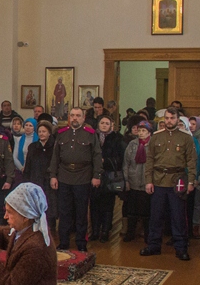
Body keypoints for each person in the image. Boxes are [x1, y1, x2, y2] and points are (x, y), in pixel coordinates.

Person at [141, 108, 197, 260]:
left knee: (178, 216)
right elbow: (150, 160)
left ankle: (181, 248)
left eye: (172, 118)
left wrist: (191, 180)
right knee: (156, 216)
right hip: (158, 179)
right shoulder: (156, 137)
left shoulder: (186, 138)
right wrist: (148, 181)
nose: (169, 121)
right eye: (166, 118)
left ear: (178, 119)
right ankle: (153, 245)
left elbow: (192, 161)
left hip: (177, 180)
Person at [49, 107, 102, 252]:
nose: (75, 118)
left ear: (83, 118)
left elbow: (97, 156)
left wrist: (96, 175)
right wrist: (53, 175)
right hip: (64, 176)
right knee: (64, 212)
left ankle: (81, 243)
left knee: (81, 212)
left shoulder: (90, 134)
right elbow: (55, 156)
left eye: (78, 116)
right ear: (69, 118)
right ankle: (64, 242)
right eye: (72, 115)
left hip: (83, 177)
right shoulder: (61, 134)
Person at [91, 117, 124, 242]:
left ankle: (105, 231)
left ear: (111, 125)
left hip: (109, 176)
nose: (104, 125)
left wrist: (106, 161)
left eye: (107, 123)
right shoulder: (92, 137)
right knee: (94, 205)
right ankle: (94, 231)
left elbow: (120, 159)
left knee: (107, 205)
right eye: (102, 123)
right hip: (94, 175)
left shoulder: (117, 138)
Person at [23, 119, 57, 233]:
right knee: (35, 206)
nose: (42, 133)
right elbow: (28, 165)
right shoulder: (33, 147)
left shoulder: (55, 146)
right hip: (35, 180)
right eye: (40, 131)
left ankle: (50, 229)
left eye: (44, 131)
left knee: (49, 206)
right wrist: (26, 182)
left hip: (49, 181)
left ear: (49, 133)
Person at [123, 120, 153, 243]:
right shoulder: (132, 144)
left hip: (147, 182)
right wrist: (126, 180)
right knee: (132, 210)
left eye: (144, 131)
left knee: (146, 211)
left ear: (149, 132)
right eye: (139, 130)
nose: (141, 133)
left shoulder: (153, 145)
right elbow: (126, 163)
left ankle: (147, 234)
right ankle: (130, 232)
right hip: (134, 180)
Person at [12, 117, 37, 183]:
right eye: (26, 125)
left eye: (30, 126)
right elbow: (14, 157)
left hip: (34, 171)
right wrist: (22, 168)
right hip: (21, 170)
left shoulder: (38, 140)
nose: (28, 127)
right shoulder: (19, 139)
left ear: (34, 127)